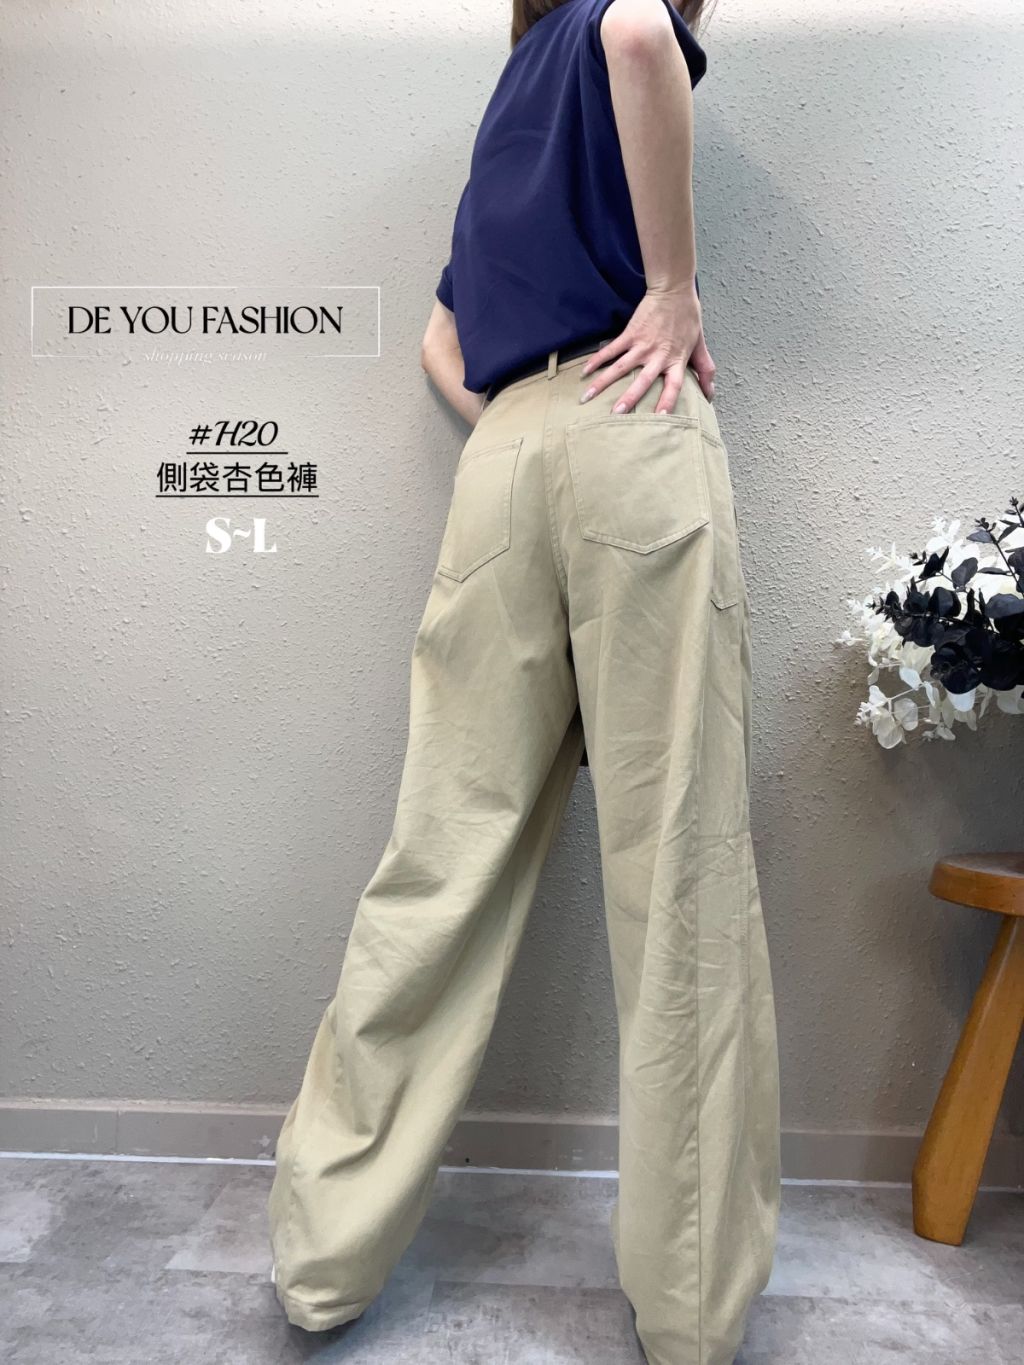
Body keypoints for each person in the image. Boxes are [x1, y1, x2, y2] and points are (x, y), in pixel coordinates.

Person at [267, 3, 782, 1363]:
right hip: (635, 429)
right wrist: (672, 290)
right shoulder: (620, 24)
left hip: (504, 457)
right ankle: (689, 1309)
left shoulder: (508, 109)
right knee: (678, 870)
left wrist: (512, 420)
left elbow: (439, 340)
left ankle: (322, 1253)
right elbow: (640, 33)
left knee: (441, 855)